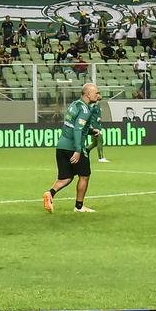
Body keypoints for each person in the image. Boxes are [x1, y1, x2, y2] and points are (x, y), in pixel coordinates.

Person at [43, 83, 102, 214]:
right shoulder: (85, 110)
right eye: (96, 93)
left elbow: (74, 125)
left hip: (61, 146)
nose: (98, 95)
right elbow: (78, 129)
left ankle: (50, 193)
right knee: (85, 176)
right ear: (87, 94)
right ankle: (79, 206)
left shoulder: (74, 105)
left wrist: (92, 131)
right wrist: (78, 150)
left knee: (66, 177)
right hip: (73, 147)